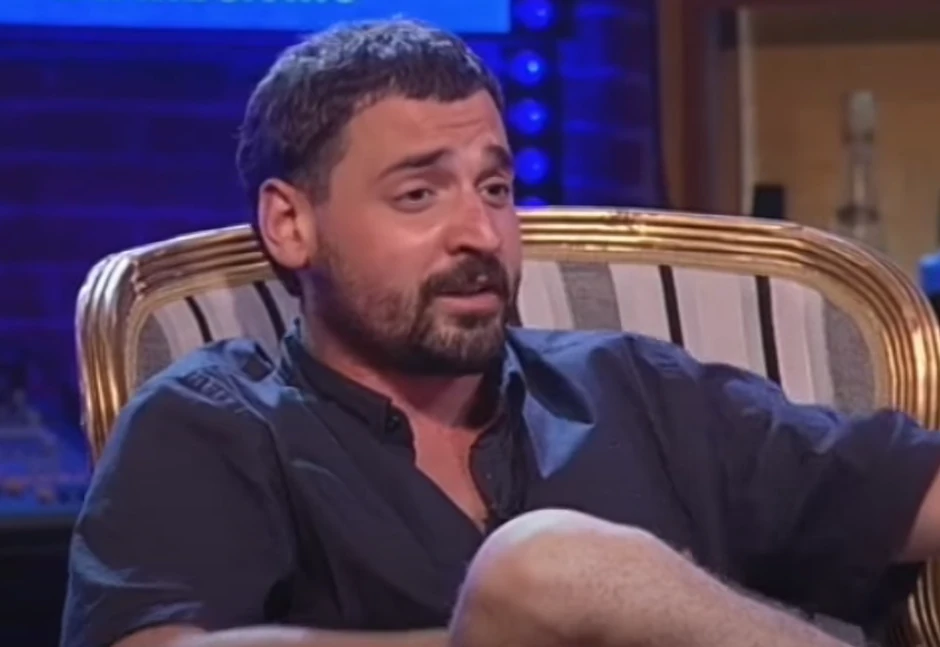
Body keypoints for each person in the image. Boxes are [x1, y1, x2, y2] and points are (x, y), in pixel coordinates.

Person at [60, 18, 940, 647]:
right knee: (544, 568)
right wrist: (519, 619)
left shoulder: (634, 389)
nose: (481, 233)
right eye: (418, 194)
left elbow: (912, 490)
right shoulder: (215, 423)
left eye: (495, 188)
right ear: (291, 224)